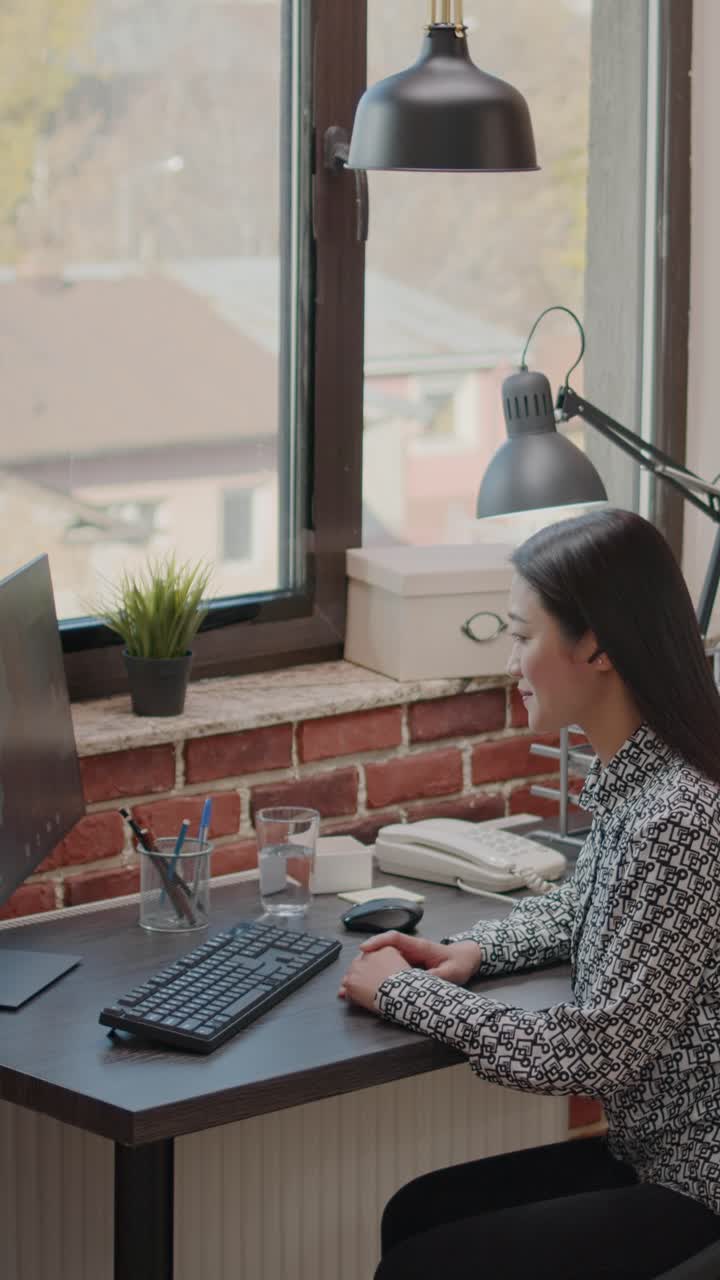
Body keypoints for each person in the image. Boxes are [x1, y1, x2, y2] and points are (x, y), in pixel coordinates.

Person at [339, 508, 720, 1280]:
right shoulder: (645, 777)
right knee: (415, 1215)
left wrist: (407, 996)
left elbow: (592, 1052)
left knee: (423, 1263)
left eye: (521, 635)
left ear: (596, 645)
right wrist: (471, 950)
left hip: (697, 1186)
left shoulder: (677, 816)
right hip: (658, 1159)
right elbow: (585, 903)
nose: (511, 662)